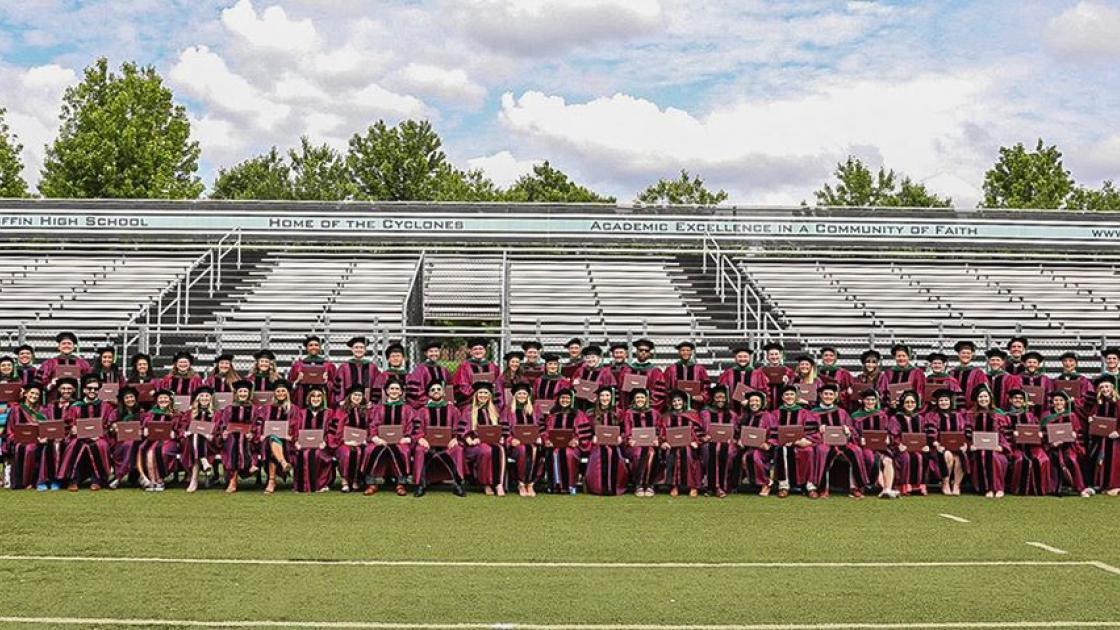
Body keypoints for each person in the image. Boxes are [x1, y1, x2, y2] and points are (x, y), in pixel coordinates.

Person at [811, 383, 866, 499]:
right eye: (825, 394)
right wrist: (818, 430)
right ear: (820, 395)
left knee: (856, 451)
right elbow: (809, 431)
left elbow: (851, 428)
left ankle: (855, 487)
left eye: (831, 394)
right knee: (823, 451)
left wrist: (848, 430)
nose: (828, 396)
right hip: (824, 443)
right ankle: (823, 488)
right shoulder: (813, 413)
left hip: (843, 443)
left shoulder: (842, 412)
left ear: (835, 396)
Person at [59, 374, 114, 491]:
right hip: (78, 437)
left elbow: (108, 425)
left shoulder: (106, 406)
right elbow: (67, 424)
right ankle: (73, 480)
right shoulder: (75, 406)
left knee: (101, 445)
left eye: (95, 389)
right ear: (84, 390)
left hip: (98, 437)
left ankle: (97, 480)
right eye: (89, 388)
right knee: (74, 445)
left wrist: (99, 434)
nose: (92, 391)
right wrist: (72, 429)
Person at [412, 380, 466, 497]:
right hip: (428, 445)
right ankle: (420, 484)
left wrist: (455, 438)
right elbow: (417, 428)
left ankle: (458, 484)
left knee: (458, 449)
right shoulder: (422, 411)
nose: (436, 391)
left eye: (438, 389)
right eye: (433, 390)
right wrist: (421, 438)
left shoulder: (453, 410)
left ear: (444, 393)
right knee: (419, 450)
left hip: (448, 445)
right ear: (428, 394)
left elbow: (459, 427)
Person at [766, 384, 818, 498]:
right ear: (782, 397)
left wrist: (806, 440)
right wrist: (779, 441)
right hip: (781, 443)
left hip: (801, 443)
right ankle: (784, 486)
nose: (789, 397)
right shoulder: (775, 413)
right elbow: (772, 431)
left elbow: (812, 430)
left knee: (808, 451)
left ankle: (809, 486)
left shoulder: (804, 413)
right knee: (781, 451)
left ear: (796, 397)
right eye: (786, 394)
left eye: (791, 394)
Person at [364, 378, 414, 496]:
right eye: (392, 388)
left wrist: (407, 438)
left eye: (397, 389)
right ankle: (372, 483)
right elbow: (373, 425)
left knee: (404, 451)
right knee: (370, 450)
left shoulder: (407, 409)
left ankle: (401, 483)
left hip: (400, 441)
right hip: (381, 440)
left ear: (402, 392)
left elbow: (411, 425)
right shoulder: (379, 408)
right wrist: (375, 438)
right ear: (386, 391)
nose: (394, 391)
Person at [1040, 390, 1093, 497]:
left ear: (1065, 402)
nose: (1058, 402)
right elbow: (1042, 433)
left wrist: (1074, 435)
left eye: (1061, 400)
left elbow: (1078, 432)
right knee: (1052, 458)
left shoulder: (1072, 415)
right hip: (1052, 446)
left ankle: (1079, 487)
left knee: (1072, 459)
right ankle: (1054, 487)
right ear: (1052, 401)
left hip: (1069, 446)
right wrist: (1051, 443)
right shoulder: (1046, 416)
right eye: (1056, 400)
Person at [852, 389, 900, 498]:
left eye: (873, 400)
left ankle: (887, 488)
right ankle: (884, 489)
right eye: (868, 400)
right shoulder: (856, 416)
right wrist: (860, 440)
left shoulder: (882, 415)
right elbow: (853, 432)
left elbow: (888, 430)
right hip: (865, 447)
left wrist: (888, 438)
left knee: (888, 460)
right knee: (874, 459)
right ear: (862, 401)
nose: (870, 402)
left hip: (881, 446)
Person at [542, 388, 590, 494]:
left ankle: (570, 485)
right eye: (562, 398)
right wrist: (547, 441)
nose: (565, 400)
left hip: (572, 446)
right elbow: (546, 431)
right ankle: (555, 485)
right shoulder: (552, 415)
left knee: (568, 453)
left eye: (567, 398)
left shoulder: (579, 414)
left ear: (572, 400)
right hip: (554, 446)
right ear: (558, 399)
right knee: (554, 453)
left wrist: (577, 441)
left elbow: (584, 433)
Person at [254, 380, 298, 495]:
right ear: (274, 393)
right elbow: (259, 423)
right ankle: (283, 463)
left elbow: (297, 425)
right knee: (271, 439)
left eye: (283, 391)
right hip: (267, 440)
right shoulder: (266, 408)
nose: (280, 393)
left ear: (287, 393)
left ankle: (271, 481)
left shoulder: (293, 409)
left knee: (273, 443)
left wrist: (291, 436)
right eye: (278, 391)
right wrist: (261, 435)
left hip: (287, 442)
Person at [1005, 388, 1051, 496]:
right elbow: (1003, 433)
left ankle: (1040, 489)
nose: (1018, 400)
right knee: (1021, 460)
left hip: (1032, 446)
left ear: (1024, 402)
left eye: (1021, 398)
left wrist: (1040, 435)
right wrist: (1012, 435)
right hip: (1014, 446)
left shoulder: (1030, 416)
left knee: (1043, 459)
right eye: (1015, 398)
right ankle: (1018, 489)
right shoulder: (1005, 416)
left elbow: (1037, 430)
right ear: (1010, 400)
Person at [464, 381, 507, 496]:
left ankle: (499, 484)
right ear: (476, 395)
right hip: (475, 444)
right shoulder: (469, 410)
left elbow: (501, 427)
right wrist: (469, 439)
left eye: (486, 393)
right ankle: (486, 484)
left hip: (493, 442)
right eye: (480, 393)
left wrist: (501, 437)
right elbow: (463, 429)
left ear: (489, 396)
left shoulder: (495, 411)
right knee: (486, 451)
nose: (483, 395)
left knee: (500, 450)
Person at [923, 389, 970, 496]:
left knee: (959, 457)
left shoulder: (958, 415)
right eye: (941, 400)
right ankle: (946, 483)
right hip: (939, 448)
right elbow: (929, 432)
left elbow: (964, 431)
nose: (944, 402)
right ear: (937, 402)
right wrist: (935, 443)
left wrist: (964, 444)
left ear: (950, 402)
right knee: (948, 455)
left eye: (946, 400)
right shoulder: (932, 415)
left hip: (956, 447)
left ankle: (957, 485)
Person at [215, 380, 258, 493]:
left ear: (249, 393)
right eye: (240, 391)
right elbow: (224, 424)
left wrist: (252, 433)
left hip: (248, 438)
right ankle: (235, 478)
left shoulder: (254, 409)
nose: (243, 393)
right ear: (236, 393)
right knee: (233, 442)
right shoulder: (229, 408)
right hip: (231, 437)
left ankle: (237, 477)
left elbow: (257, 424)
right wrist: (223, 433)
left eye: (245, 391)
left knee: (242, 440)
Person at [585, 386, 628, 496]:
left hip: (615, 444)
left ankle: (614, 486)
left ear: (611, 397)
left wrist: (621, 438)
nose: (605, 398)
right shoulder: (591, 413)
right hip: (597, 444)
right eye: (602, 395)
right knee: (601, 453)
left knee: (611, 452)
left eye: (607, 395)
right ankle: (598, 487)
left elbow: (624, 429)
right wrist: (592, 438)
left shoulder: (619, 413)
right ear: (598, 397)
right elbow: (586, 430)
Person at [329, 385, 371, 494]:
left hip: (362, 442)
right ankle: (345, 481)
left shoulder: (366, 411)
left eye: (359, 395)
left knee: (361, 451)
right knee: (347, 452)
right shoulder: (341, 411)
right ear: (350, 396)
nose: (357, 397)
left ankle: (356, 479)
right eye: (354, 395)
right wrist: (344, 441)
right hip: (343, 442)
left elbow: (370, 428)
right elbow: (335, 429)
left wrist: (365, 440)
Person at [4, 383, 46, 490]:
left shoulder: (42, 411)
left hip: (38, 441)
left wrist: (43, 438)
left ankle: (32, 482)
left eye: (37, 394)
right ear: (26, 394)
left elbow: (46, 429)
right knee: (22, 447)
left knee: (31, 448)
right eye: (32, 393)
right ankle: (20, 482)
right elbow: (10, 429)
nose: (34, 396)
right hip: (19, 441)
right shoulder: (16, 410)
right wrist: (15, 439)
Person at [502, 382, 541, 497]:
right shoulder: (508, 411)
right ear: (515, 395)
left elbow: (542, 427)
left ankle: (531, 483)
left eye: (524, 393)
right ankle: (521, 483)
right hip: (516, 445)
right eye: (519, 394)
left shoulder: (535, 410)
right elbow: (504, 430)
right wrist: (510, 440)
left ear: (528, 396)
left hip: (532, 443)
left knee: (535, 450)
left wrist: (539, 437)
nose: (522, 396)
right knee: (523, 450)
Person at [138, 389, 180, 492]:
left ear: (170, 400)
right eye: (160, 398)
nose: (163, 400)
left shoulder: (176, 414)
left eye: (165, 398)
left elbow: (180, 428)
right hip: (152, 439)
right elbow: (144, 426)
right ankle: (152, 480)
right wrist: (145, 430)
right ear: (156, 400)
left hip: (168, 441)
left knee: (160, 451)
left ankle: (160, 479)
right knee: (146, 450)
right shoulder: (150, 414)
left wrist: (175, 433)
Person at [893, 390, 932, 496]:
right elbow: (894, 435)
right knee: (906, 457)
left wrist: (926, 445)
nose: (910, 405)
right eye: (907, 402)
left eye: (912, 402)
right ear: (902, 403)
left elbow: (925, 434)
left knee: (921, 457)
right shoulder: (896, 418)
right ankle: (905, 485)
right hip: (902, 449)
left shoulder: (920, 418)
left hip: (918, 448)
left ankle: (920, 486)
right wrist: (898, 444)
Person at [699, 385, 736, 497]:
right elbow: (698, 428)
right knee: (709, 451)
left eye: (722, 397)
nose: (720, 400)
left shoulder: (732, 414)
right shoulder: (704, 413)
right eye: (717, 397)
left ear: (726, 399)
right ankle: (710, 486)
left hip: (728, 442)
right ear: (713, 398)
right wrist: (703, 437)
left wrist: (733, 438)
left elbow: (737, 430)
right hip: (709, 442)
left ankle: (722, 486)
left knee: (727, 452)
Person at [180, 386, 218, 493]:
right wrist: (186, 432)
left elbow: (218, 430)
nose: (204, 398)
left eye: (207, 396)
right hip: (191, 443)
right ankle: (203, 461)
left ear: (211, 399)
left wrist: (212, 435)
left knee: (197, 436)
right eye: (202, 396)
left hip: (210, 444)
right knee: (195, 435)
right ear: (197, 398)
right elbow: (182, 427)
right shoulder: (189, 413)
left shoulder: (216, 414)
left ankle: (194, 480)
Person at [624, 388, 661, 496]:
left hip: (651, 444)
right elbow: (627, 430)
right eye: (637, 397)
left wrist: (657, 439)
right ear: (634, 400)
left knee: (651, 452)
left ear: (646, 399)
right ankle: (638, 484)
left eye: (642, 397)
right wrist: (629, 439)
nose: (640, 399)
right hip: (634, 445)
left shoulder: (654, 413)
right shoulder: (629, 413)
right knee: (639, 453)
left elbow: (659, 429)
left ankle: (649, 484)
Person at [735, 390, 773, 496]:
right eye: (751, 401)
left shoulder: (768, 416)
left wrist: (768, 443)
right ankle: (732, 484)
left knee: (754, 456)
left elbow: (774, 432)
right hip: (745, 447)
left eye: (757, 400)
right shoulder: (744, 416)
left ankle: (766, 483)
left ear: (762, 403)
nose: (754, 403)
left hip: (762, 448)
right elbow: (737, 431)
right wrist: (739, 440)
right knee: (732, 453)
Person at [106, 385, 144, 489]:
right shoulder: (116, 412)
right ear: (123, 400)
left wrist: (141, 430)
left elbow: (145, 426)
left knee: (132, 444)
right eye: (127, 398)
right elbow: (110, 428)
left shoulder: (141, 412)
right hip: (119, 442)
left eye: (132, 397)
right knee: (129, 444)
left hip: (137, 441)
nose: (130, 399)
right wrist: (114, 428)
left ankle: (118, 477)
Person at [1089, 377, 1120, 496]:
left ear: (1112, 388)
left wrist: (1118, 432)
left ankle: (1116, 485)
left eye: (1107, 387)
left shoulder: (1118, 403)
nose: (1105, 389)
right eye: (1102, 387)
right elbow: (1093, 416)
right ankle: (1103, 484)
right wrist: (1091, 419)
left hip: (1115, 439)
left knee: (1114, 461)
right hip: (1101, 439)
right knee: (1101, 460)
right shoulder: (1098, 404)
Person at [451, 338, 500, 410]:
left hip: (490, 400)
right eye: (475, 349)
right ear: (470, 352)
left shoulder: (492, 366)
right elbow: (461, 385)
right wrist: (477, 394)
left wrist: (488, 394)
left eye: (480, 349)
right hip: (470, 401)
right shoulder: (464, 366)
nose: (478, 351)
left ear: (485, 351)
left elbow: (498, 382)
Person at [619, 339, 667, 411]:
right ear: (636, 352)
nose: (643, 353)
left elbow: (659, 393)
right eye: (640, 350)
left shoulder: (655, 372)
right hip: (629, 410)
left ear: (649, 354)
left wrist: (648, 407)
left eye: (646, 351)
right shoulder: (627, 370)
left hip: (647, 409)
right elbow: (622, 392)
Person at [289, 335, 335, 406]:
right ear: (306, 348)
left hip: (322, 397)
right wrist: (297, 381)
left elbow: (335, 385)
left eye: (316, 345)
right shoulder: (297, 366)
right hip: (302, 398)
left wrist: (327, 383)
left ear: (319, 347)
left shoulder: (329, 365)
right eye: (311, 345)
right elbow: (290, 385)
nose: (314, 347)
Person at [334, 337, 380, 406]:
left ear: (365, 350)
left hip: (367, 406)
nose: (359, 349)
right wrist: (340, 401)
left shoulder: (372, 367)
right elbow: (338, 387)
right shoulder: (343, 367)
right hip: (348, 405)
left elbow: (377, 386)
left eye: (361, 347)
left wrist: (373, 402)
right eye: (356, 347)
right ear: (352, 349)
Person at [663, 341, 710, 410]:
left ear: (691, 352)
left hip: (695, 405)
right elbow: (666, 387)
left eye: (688, 350)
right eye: (682, 350)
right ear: (678, 352)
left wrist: (702, 396)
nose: (685, 353)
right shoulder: (671, 369)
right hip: (676, 405)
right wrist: (671, 398)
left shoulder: (699, 369)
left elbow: (706, 386)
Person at [880, 344, 926, 411]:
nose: (901, 358)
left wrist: (913, 404)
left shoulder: (917, 373)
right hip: (892, 409)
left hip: (911, 409)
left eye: (904, 356)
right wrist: (889, 403)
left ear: (908, 357)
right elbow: (883, 391)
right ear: (895, 357)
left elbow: (920, 391)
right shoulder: (888, 373)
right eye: (898, 356)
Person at [750, 342, 793, 411]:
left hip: (783, 406)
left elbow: (793, 391)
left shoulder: (788, 371)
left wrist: (787, 383)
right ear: (767, 356)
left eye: (776, 354)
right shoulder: (759, 371)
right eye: (771, 354)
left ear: (781, 355)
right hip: (765, 405)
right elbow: (754, 388)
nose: (774, 357)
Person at [407, 340, 451, 409]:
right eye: (431, 351)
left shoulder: (443, 370)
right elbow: (414, 390)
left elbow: (448, 387)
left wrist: (448, 400)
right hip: (426, 406)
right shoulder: (420, 370)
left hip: (442, 403)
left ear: (439, 352)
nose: (434, 354)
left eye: (436, 351)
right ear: (426, 353)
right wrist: (428, 401)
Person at [572, 345, 616, 411]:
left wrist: (598, 398)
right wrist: (574, 383)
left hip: (598, 407)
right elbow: (572, 388)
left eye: (593, 357)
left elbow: (611, 390)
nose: (590, 360)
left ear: (598, 358)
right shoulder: (580, 370)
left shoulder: (605, 372)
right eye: (588, 358)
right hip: (579, 405)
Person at [372, 342, 409, 406]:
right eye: (393, 356)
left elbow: (414, 397)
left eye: (398, 356)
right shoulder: (382, 377)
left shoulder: (409, 377)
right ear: (388, 359)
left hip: (405, 411)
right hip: (384, 409)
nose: (396, 358)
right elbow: (375, 396)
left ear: (403, 358)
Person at [718, 345, 754, 413]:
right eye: (740, 357)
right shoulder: (728, 373)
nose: (742, 359)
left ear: (749, 358)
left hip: (752, 411)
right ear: (735, 358)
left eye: (745, 357)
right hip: (731, 410)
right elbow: (721, 389)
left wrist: (750, 401)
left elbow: (763, 391)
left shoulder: (757, 374)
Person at [952, 340, 987, 405]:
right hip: (954, 407)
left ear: (972, 355)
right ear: (958, 354)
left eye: (968, 353)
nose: (966, 355)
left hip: (972, 408)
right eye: (963, 353)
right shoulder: (952, 373)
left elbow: (982, 391)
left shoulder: (978, 373)